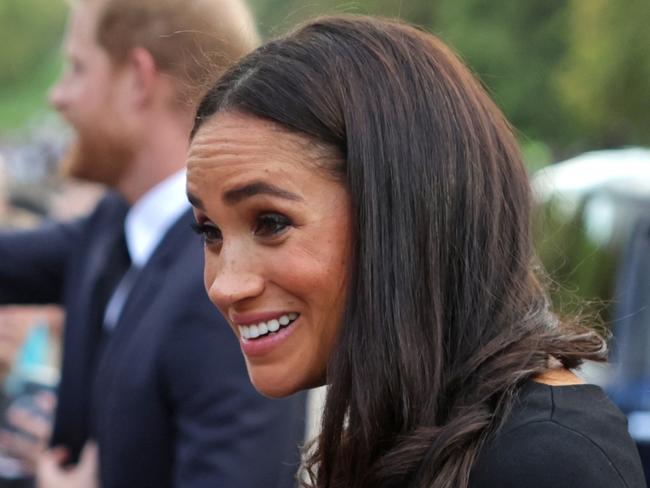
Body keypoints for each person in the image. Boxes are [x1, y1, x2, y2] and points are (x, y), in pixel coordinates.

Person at [185, 15, 646, 488]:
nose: (225, 285)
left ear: (402, 214)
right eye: (210, 232)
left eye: (271, 223)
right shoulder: (415, 430)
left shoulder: (545, 461)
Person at [0, 0, 307, 487]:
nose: (58, 96)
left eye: (77, 68)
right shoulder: (115, 222)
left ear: (138, 79)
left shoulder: (230, 293)